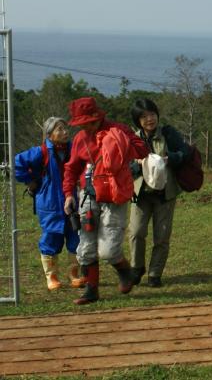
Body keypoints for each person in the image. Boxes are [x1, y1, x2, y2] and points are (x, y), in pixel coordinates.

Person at [62, 97, 149, 305]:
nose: (85, 127)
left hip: (114, 196)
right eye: (81, 124)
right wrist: (68, 195)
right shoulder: (80, 139)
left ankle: (125, 270)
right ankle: (92, 290)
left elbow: (142, 150)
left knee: (108, 250)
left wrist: (122, 144)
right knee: (86, 248)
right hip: (88, 197)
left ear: (97, 118)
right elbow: (72, 168)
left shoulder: (118, 130)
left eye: (88, 123)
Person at [128, 98, 191, 288]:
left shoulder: (168, 134)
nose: (149, 119)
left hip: (165, 194)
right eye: (144, 116)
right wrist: (137, 166)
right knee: (136, 232)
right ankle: (136, 268)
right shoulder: (132, 139)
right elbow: (124, 165)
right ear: (137, 120)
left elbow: (185, 153)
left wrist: (169, 159)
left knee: (162, 237)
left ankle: (155, 274)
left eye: (152, 114)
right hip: (140, 194)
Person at [14, 117, 83, 291]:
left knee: (75, 236)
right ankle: (51, 277)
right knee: (51, 237)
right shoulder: (40, 152)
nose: (65, 132)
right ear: (49, 134)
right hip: (49, 203)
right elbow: (17, 163)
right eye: (59, 129)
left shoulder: (73, 149)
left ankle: (74, 274)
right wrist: (30, 180)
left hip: (72, 199)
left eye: (65, 128)